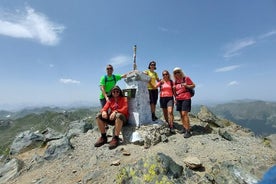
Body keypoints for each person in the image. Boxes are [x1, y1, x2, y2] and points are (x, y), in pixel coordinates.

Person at [173, 67, 195, 138]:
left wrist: (187, 85)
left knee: (184, 113)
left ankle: (188, 131)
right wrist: (175, 99)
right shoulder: (175, 81)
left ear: (181, 72)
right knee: (181, 114)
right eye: (175, 73)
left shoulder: (186, 78)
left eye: (178, 72)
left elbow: (193, 85)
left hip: (186, 98)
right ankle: (184, 127)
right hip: (178, 99)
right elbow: (175, 92)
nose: (177, 73)